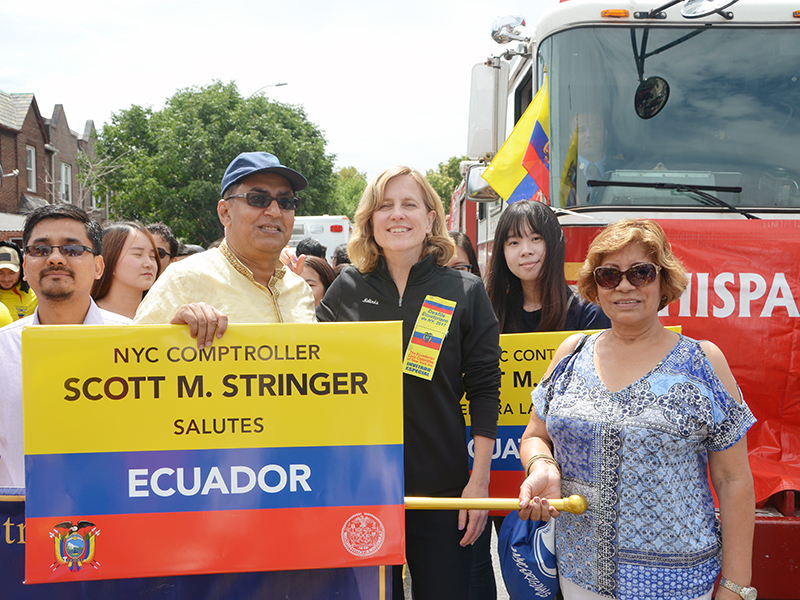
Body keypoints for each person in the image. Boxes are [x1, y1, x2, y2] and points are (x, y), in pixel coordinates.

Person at [518, 219, 756, 600]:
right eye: (609, 275)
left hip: (678, 584)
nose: (624, 285)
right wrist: (541, 465)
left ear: (663, 281)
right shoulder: (571, 354)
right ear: (595, 287)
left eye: (641, 273)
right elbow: (534, 435)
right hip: (579, 575)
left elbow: (734, 481)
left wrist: (736, 587)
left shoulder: (702, 363)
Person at [316, 166, 501, 600]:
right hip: (361, 488)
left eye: (409, 204)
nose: (396, 215)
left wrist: (478, 484)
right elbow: (316, 383)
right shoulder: (345, 288)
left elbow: (485, 387)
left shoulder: (465, 290)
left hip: (442, 491)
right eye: (385, 205)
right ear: (370, 220)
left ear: (431, 218)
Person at [0, 204, 130, 487]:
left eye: (72, 250)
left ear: (98, 267)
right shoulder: (2, 352)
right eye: (40, 250)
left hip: (118, 518)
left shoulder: (137, 345)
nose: (55, 259)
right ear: (25, 267)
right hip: (17, 525)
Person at [134, 152, 315, 342]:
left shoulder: (300, 290)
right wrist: (172, 333)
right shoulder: (183, 281)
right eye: (258, 199)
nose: (274, 211)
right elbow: (130, 358)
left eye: (286, 202)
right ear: (225, 213)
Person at [486, 200, 610, 334]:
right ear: (502, 252)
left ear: (555, 244)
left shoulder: (588, 315)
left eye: (536, 238)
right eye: (514, 242)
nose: (526, 250)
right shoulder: (491, 314)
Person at [91, 222, 161, 319]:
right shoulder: (87, 317)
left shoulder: (164, 316)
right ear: (109, 259)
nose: (149, 264)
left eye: (152, 256)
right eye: (138, 254)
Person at [0, 240, 37, 320]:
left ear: (21, 269)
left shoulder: (36, 294)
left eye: (12, 272)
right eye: (0, 273)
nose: (6, 278)